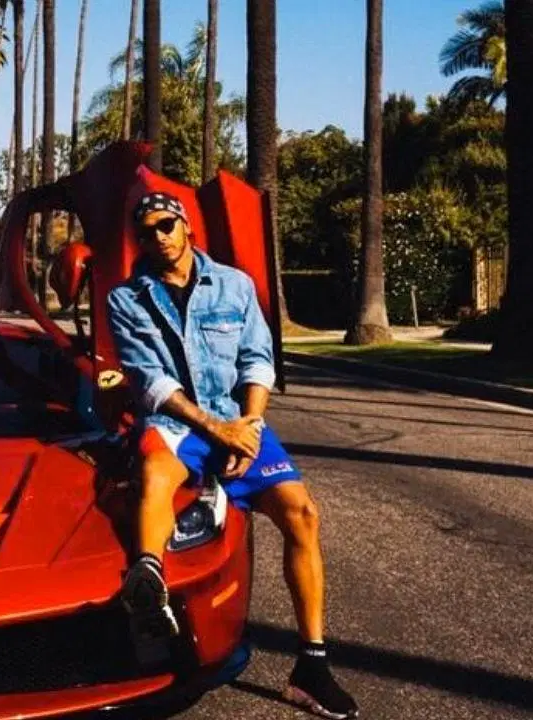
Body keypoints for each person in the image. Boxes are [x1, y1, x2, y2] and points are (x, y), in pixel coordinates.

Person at [106, 192, 359, 719]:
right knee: (155, 470)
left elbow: (257, 360)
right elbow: (149, 380)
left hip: (239, 421)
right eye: (147, 232)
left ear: (187, 227)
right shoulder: (126, 299)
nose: (158, 237)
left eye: (166, 225)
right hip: (178, 424)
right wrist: (215, 430)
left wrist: (249, 427)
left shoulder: (234, 285)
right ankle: (148, 583)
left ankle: (311, 669)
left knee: (303, 514)